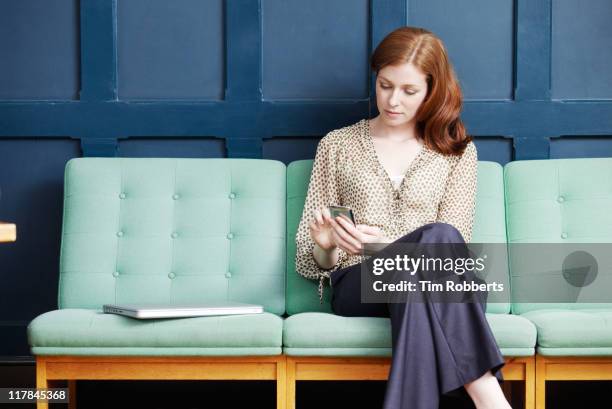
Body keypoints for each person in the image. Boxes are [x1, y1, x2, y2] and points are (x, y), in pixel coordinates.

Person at [294, 27, 511, 409]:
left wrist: (389, 246)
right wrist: (326, 245)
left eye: (409, 91)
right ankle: (489, 396)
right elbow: (311, 262)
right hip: (360, 282)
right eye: (385, 85)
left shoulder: (457, 151)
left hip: (436, 280)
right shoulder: (337, 145)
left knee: (428, 258)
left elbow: (452, 243)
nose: (393, 100)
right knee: (430, 257)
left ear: (432, 90)